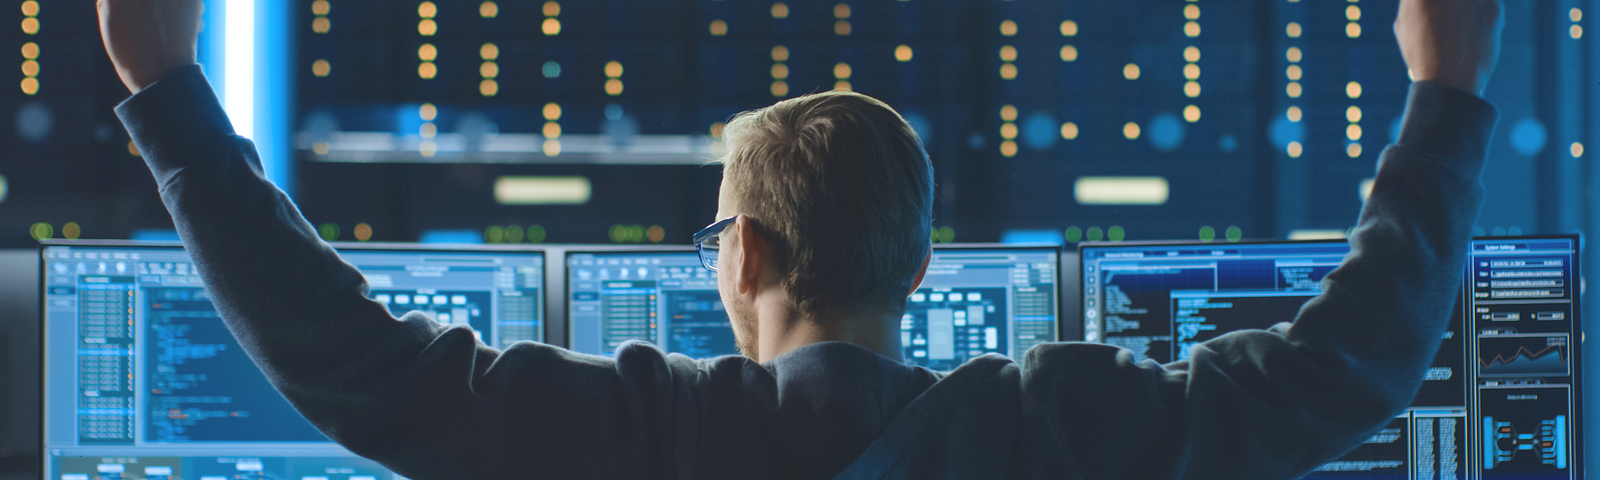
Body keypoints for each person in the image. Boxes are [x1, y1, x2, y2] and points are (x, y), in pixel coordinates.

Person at [97, 0, 1502, 477]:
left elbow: (349, 362)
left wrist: (166, 95)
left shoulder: (633, 434)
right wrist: (1444, 96)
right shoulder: (1059, 427)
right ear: (919, 268)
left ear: (746, 258)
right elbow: (1351, 366)